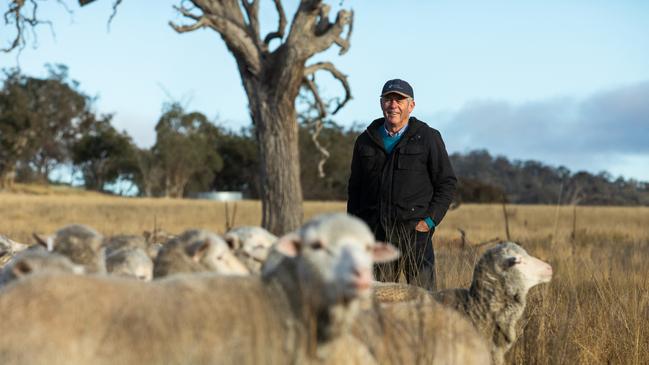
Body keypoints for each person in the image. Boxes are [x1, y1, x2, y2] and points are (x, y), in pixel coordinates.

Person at [347, 79, 457, 290]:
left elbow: (447, 183)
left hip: (415, 235)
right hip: (377, 237)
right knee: (378, 300)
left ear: (411, 105)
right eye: (388, 99)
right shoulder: (365, 140)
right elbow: (355, 190)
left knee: (423, 301)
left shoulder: (427, 137)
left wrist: (429, 221)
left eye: (400, 100)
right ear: (381, 104)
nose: (393, 105)